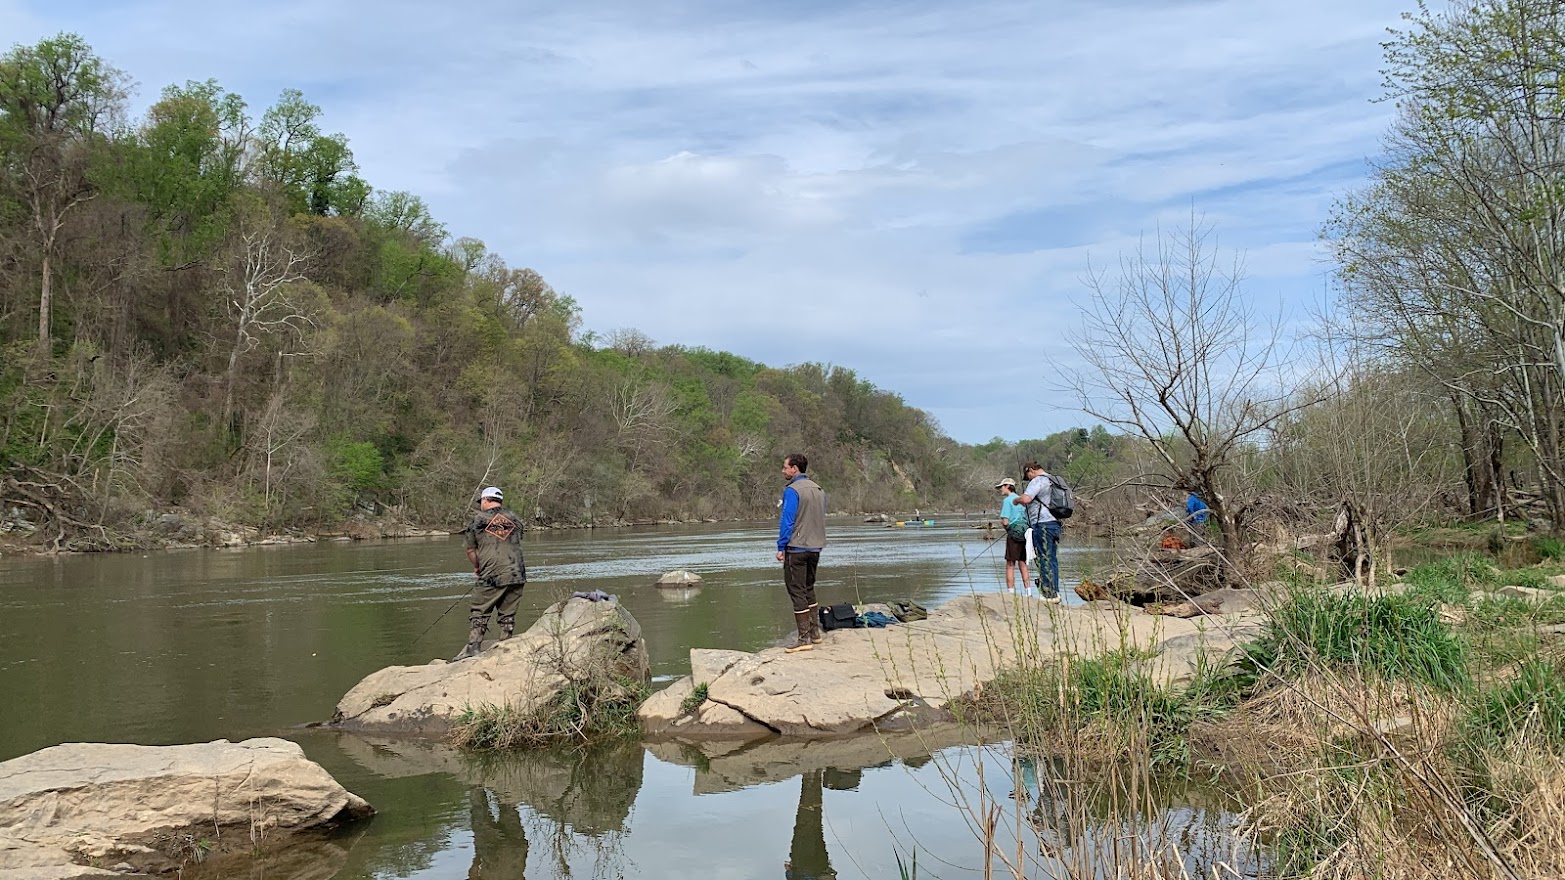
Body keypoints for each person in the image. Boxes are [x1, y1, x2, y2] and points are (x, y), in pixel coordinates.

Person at [454, 486, 527, 661]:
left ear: (486, 500)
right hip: (517, 573)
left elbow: (471, 550)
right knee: (508, 612)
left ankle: (473, 648)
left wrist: (477, 568)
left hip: (492, 574)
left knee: (480, 609)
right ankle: (505, 644)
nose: (481, 505)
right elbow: (515, 542)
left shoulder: (478, 520)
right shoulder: (516, 519)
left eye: (481, 501)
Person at [777, 453, 826, 652]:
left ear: (794, 468)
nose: (783, 470)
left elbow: (787, 520)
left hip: (797, 547)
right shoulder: (819, 489)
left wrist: (781, 547)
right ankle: (815, 634)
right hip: (816, 546)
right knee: (808, 587)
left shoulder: (792, 490)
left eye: (785, 467)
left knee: (796, 590)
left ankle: (803, 639)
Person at [1016, 462, 1063, 602]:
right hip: (1055, 524)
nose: (1029, 479)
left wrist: (1016, 500)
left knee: (1044, 558)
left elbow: (1026, 499)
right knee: (1052, 559)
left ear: (1031, 470)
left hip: (1042, 524)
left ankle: (1049, 593)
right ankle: (1055, 591)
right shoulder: (1055, 480)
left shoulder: (1038, 480)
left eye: (1028, 476)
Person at [996, 478, 1031, 596]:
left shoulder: (1007, 501)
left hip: (1014, 534)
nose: (1000, 489)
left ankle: (1010, 592)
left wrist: (1008, 531)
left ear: (1007, 486)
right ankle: (1028, 591)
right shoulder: (1023, 499)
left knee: (1010, 564)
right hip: (1025, 534)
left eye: (1002, 487)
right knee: (1023, 563)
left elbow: (1005, 521)